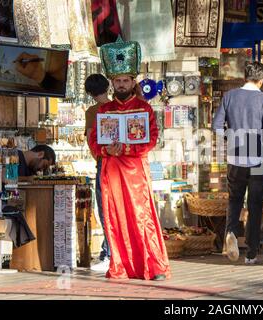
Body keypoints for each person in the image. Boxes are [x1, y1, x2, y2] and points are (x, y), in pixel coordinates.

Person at [88, 37, 170, 280]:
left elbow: (151, 140)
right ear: (112, 83)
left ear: (133, 81)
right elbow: (94, 142)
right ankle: (121, 265)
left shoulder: (144, 109)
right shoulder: (104, 111)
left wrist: (125, 149)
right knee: (114, 217)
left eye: (125, 80)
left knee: (141, 215)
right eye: (118, 81)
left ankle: (152, 266)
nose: (122, 84)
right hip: (111, 173)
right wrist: (106, 151)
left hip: (135, 174)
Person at [212, 61, 263, 265]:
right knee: (255, 205)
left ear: (244, 77)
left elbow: (216, 127)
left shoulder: (230, 96)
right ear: (261, 81)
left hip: (235, 158)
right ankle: (251, 252)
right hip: (258, 160)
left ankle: (231, 233)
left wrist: (231, 139)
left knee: (234, 200)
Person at [84, 73, 111, 270]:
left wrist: (99, 158)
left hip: (104, 162)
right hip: (123, 163)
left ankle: (109, 253)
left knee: (104, 208)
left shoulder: (93, 111)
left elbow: (91, 141)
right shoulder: (117, 107)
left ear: (89, 93)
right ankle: (108, 250)